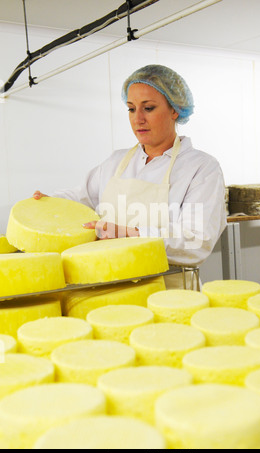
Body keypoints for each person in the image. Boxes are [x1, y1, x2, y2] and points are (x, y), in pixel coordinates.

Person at [34, 64, 227, 288]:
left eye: (149, 108)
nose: (138, 119)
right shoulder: (116, 162)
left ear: (175, 110)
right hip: (109, 287)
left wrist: (131, 234)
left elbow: (196, 242)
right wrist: (49, 203)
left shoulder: (201, 168)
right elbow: (81, 198)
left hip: (170, 292)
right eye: (131, 109)